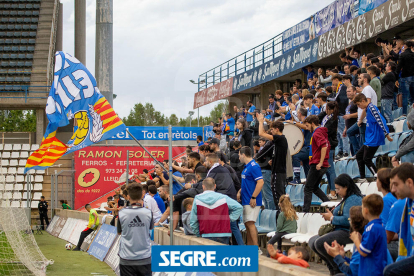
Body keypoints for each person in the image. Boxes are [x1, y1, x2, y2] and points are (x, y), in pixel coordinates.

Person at [309, 174, 363, 275]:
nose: (337, 192)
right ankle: (332, 269)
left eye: (338, 189)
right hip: (340, 230)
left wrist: (332, 218)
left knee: (320, 243)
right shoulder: (347, 198)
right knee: (312, 241)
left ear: (346, 187)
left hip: (348, 232)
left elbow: (348, 220)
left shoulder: (353, 199)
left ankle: (337, 269)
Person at [189, 178, 243, 245]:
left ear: (203, 186)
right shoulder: (223, 198)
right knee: (222, 254)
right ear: (215, 186)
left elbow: (193, 220)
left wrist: (197, 233)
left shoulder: (197, 199)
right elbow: (239, 207)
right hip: (223, 233)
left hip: (205, 233)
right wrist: (229, 219)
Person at [354, 93, 392, 183]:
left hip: (374, 138)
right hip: (370, 138)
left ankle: (378, 176)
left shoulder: (372, 108)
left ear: (363, 101)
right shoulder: (368, 109)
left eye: (359, 104)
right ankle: (363, 178)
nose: (359, 107)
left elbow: (380, 120)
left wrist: (386, 133)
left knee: (367, 158)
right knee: (359, 155)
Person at [384, 163, 414, 275]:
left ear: (409, 182)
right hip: (409, 254)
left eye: (396, 184)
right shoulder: (408, 203)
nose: (392, 189)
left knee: (389, 271)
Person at [117, 183, 153, 276]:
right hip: (144, 257)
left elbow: (119, 232)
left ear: (128, 197)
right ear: (142, 195)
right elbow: (151, 227)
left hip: (127, 258)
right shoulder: (148, 213)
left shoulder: (121, 213)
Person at [350, 194, 388, 276]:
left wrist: (356, 240)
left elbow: (364, 252)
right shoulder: (379, 226)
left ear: (366, 210)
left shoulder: (372, 228)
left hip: (371, 271)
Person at [325, 206, 367, 276]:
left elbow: (351, 271)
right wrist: (343, 257)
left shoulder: (362, 243)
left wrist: (337, 256)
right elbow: (355, 266)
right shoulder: (363, 238)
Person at [257, 114, 288, 210]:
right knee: (278, 197)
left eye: (273, 129)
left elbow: (261, 134)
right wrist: (273, 160)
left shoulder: (280, 138)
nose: (271, 131)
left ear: (277, 129)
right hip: (278, 171)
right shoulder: (278, 141)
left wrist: (261, 121)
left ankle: (280, 216)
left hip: (278, 172)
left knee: (277, 197)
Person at [302, 115, 330, 212]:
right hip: (321, 164)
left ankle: (305, 211)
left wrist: (320, 162)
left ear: (312, 124)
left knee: (307, 188)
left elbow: (324, 146)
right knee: (314, 187)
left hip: (317, 164)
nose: (306, 128)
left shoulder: (317, 133)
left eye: (307, 125)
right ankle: (329, 203)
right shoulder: (320, 132)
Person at [237, 146, 264, 248]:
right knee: (247, 224)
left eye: (239, 155)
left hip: (251, 200)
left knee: (250, 223)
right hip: (246, 199)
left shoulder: (254, 166)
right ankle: (249, 247)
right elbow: (247, 183)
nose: (239, 157)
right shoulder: (247, 167)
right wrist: (240, 191)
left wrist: (253, 197)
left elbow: (260, 182)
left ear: (243, 155)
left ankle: (256, 248)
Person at [319, 102, 339, 199]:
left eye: (327, 109)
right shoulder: (326, 116)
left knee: (330, 169)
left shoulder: (333, 120)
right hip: (325, 145)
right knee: (327, 169)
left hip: (330, 145)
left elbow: (326, 130)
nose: (325, 111)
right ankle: (332, 190)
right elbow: (317, 117)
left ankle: (333, 191)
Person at [286, 108, 311, 184]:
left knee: (295, 156)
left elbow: (306, 127)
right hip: (305, 147)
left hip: (309, 147)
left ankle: (297, 178)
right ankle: (309, 179)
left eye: (297, 113)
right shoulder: (302, 122)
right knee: (306, 164)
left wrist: (293, 122)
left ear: (300, 114)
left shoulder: (307, 121)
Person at [357, 73, 378, 146]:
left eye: (360, 78)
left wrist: (360, 119)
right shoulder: (365, 89)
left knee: (366, 144)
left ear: (365, 80)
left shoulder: (367, 89)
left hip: (366, 121)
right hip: (364, 120)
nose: (358, 79)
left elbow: (367, 105)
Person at [332, 74, 350, 159]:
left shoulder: (342, 87)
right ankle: (340, 151)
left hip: (341, 114)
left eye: (333, 83)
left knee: (343, 133)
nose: (333, 86)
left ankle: (346, 151)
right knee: (339, 134)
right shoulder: (341, 88)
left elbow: (341, 100)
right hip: (339, 114)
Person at [254, 137, 275, 210]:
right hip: (263, 171)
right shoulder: (268, 146)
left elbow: (258, 157)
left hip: (266, 171)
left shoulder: (270, 145)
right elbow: (258, 157)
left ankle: (271, 213)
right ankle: (267, 211)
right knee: (264, 196)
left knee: (268, 195)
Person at [395, 40, 414, 116]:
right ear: (412, 47)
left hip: (405, 77)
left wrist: (396, 78)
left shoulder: (402, 55)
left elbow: (398, 67)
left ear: (405, 46)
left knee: (405, 96)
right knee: (413, 96)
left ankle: (405, 114)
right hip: (413, 77)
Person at [344, 86, 360, 156]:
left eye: (349, 91)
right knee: (352, 151)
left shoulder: (357, 102)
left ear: (354, 92)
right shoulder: (350, 103)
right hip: (349, 130)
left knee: (356, 151)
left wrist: (350, 116)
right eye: (347, 92)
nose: (348, 93)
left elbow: (360, 113)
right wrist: (345, 128)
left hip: (356, 130)